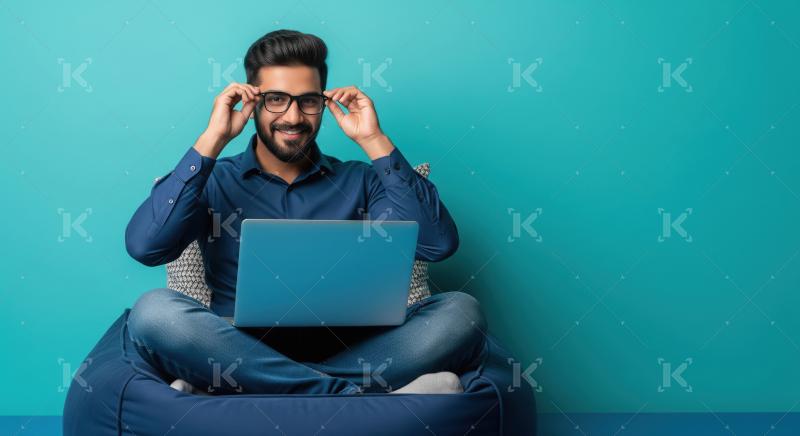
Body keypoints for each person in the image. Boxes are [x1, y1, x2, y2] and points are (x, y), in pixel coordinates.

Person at [124, 29, 487, 395]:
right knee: (155, 313)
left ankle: (268, 388)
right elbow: (146, 247)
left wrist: (373, 140)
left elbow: (439, 244)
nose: (293, 116)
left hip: (357, 350)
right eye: (277, 99)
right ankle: (349, 396)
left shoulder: (363, 181)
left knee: (461, 312)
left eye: (308, 101)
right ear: (251, 103)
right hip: (238, 347)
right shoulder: (214, 179)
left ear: (323, 103)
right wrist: (212, 139)